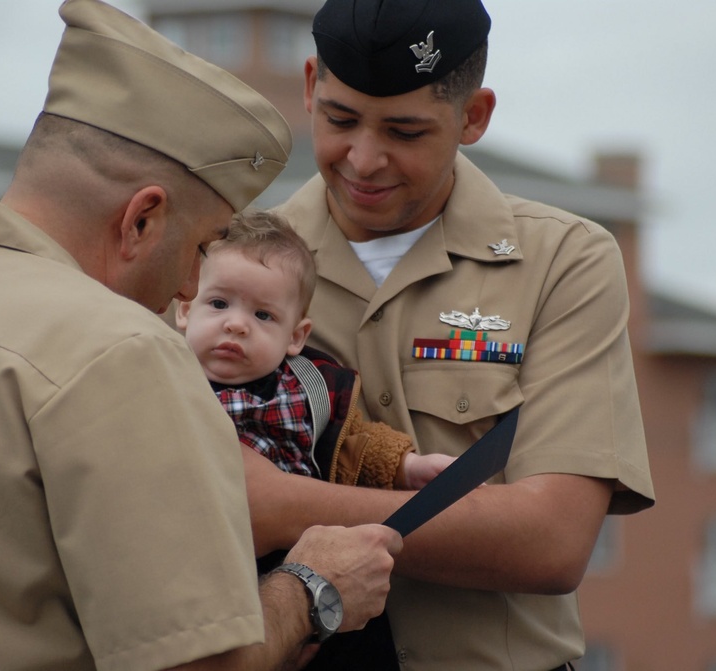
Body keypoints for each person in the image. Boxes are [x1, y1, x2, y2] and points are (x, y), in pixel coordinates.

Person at [0, 1, 401, 670]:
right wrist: (311, 588)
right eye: (198, 250)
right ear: (142, 220)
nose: (189, 290)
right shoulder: (120, 349)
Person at [238, 1, 658, 670]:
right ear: (312, 84)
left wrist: (281, 504)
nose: (364, 158)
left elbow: (552, 541)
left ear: (474, 116)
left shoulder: (563, 261)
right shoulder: (232, 263)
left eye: (404, 130)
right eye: (340, 119)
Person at [174, 208, 454, 493]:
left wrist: (410, 468)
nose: (236, 325)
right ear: (185, 310)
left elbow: (355, 445)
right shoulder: (163, 379)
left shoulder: (310, 389)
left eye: (262, 315)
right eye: (219, 304)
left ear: (295, 337)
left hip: (300, 528)